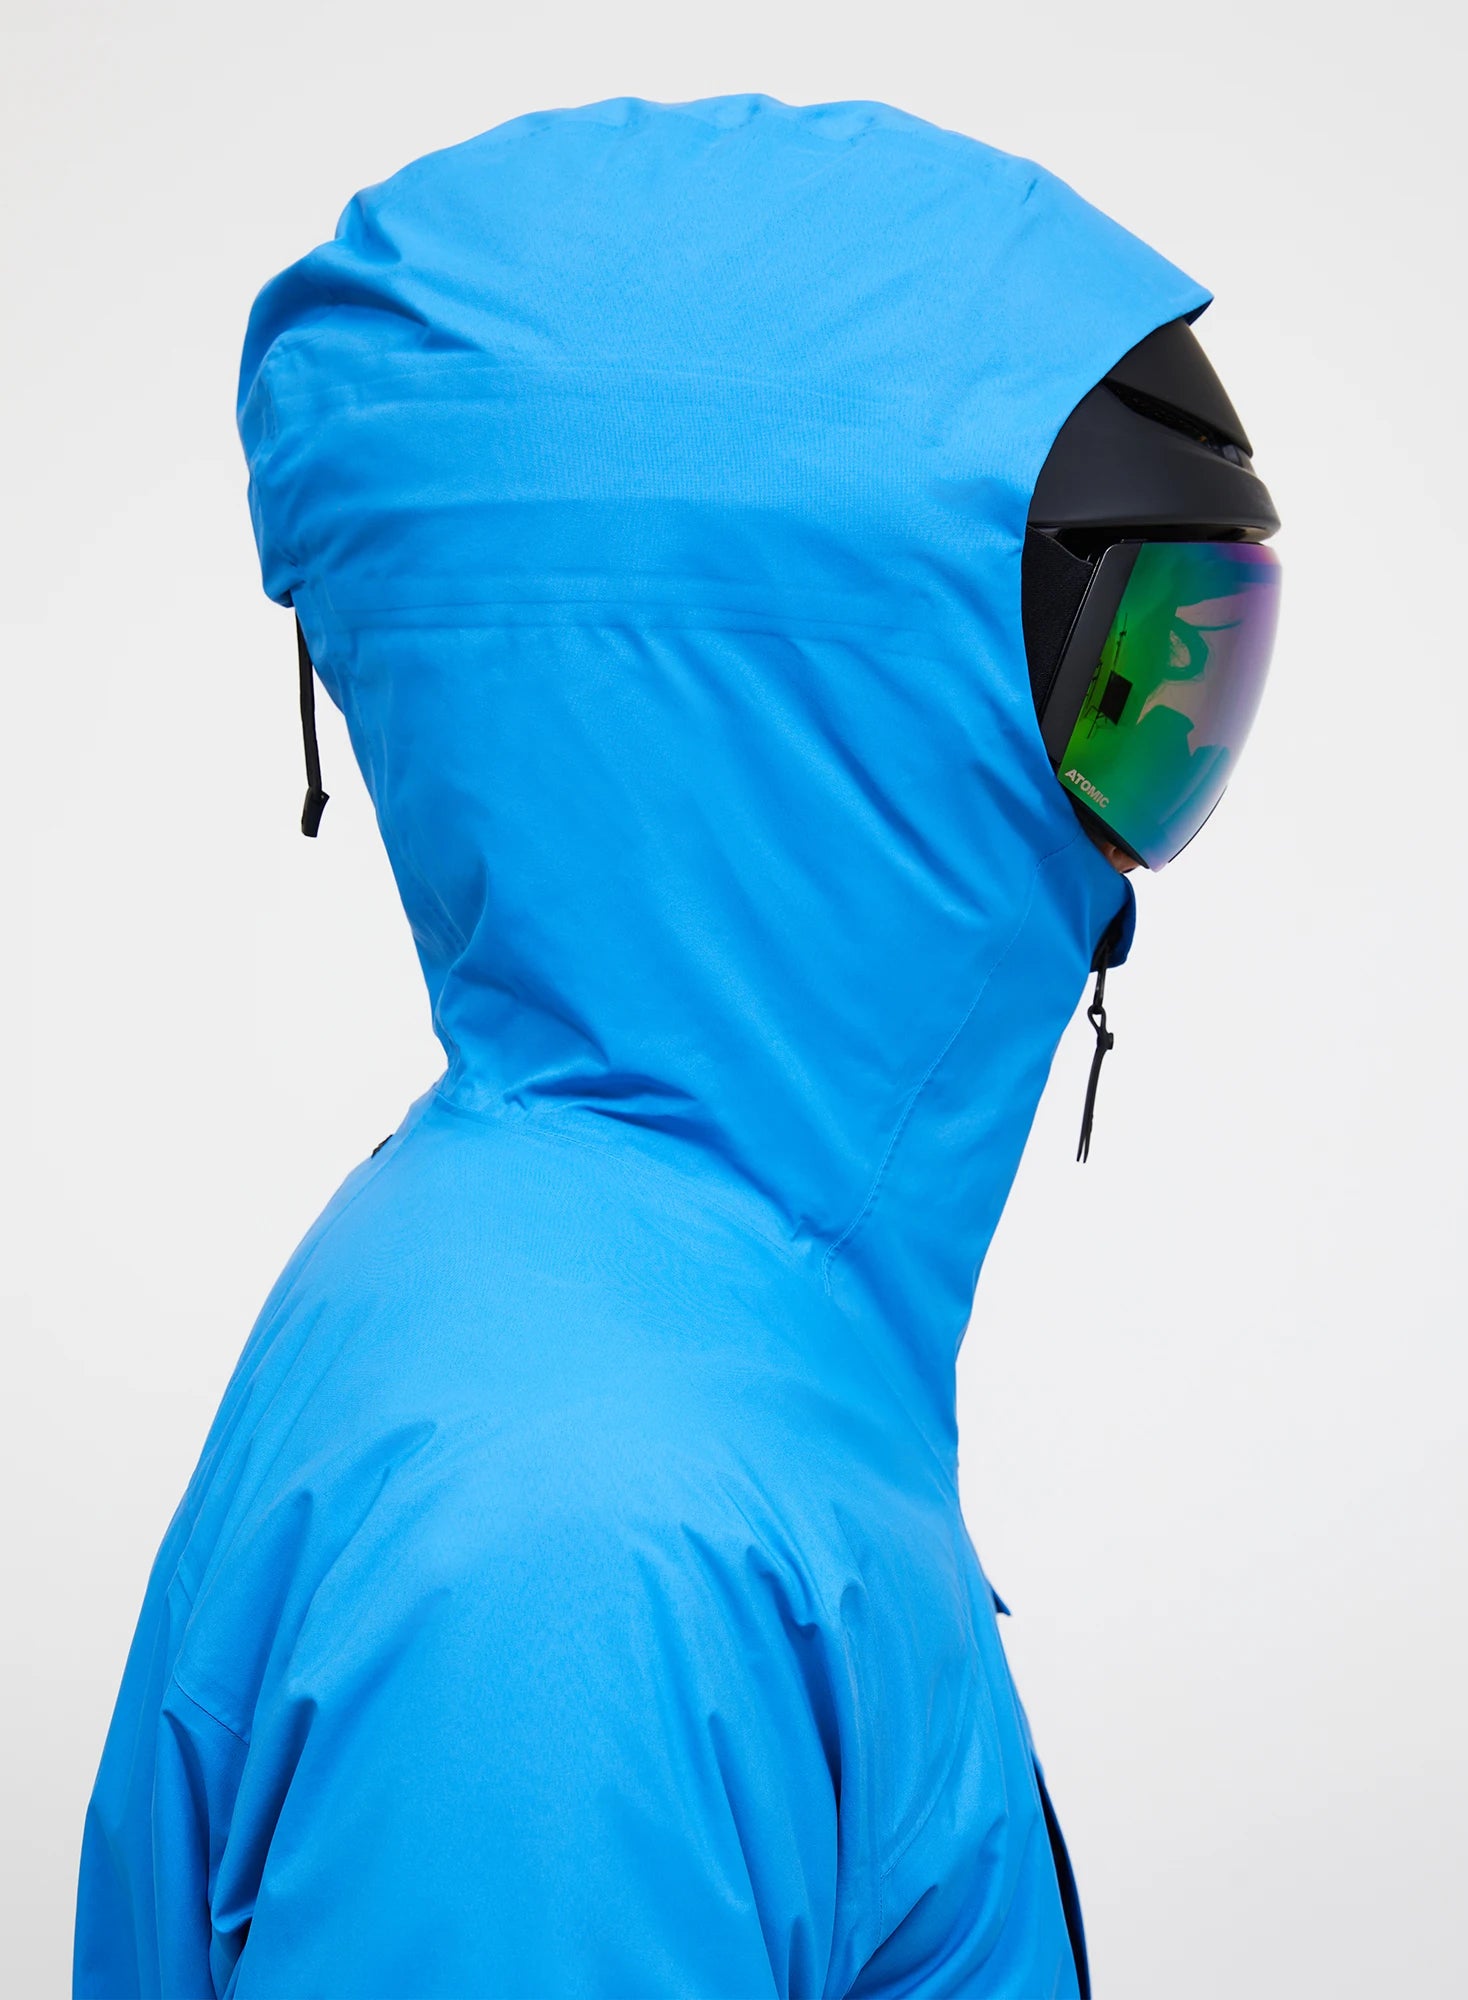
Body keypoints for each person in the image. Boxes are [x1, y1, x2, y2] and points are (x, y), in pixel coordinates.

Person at [74, 96, 1279, 1999]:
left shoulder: (637, 1326)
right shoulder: (593, 1555)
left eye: (1209, 687)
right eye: (1136, 698)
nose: (1138, 834)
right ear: (862, 706)